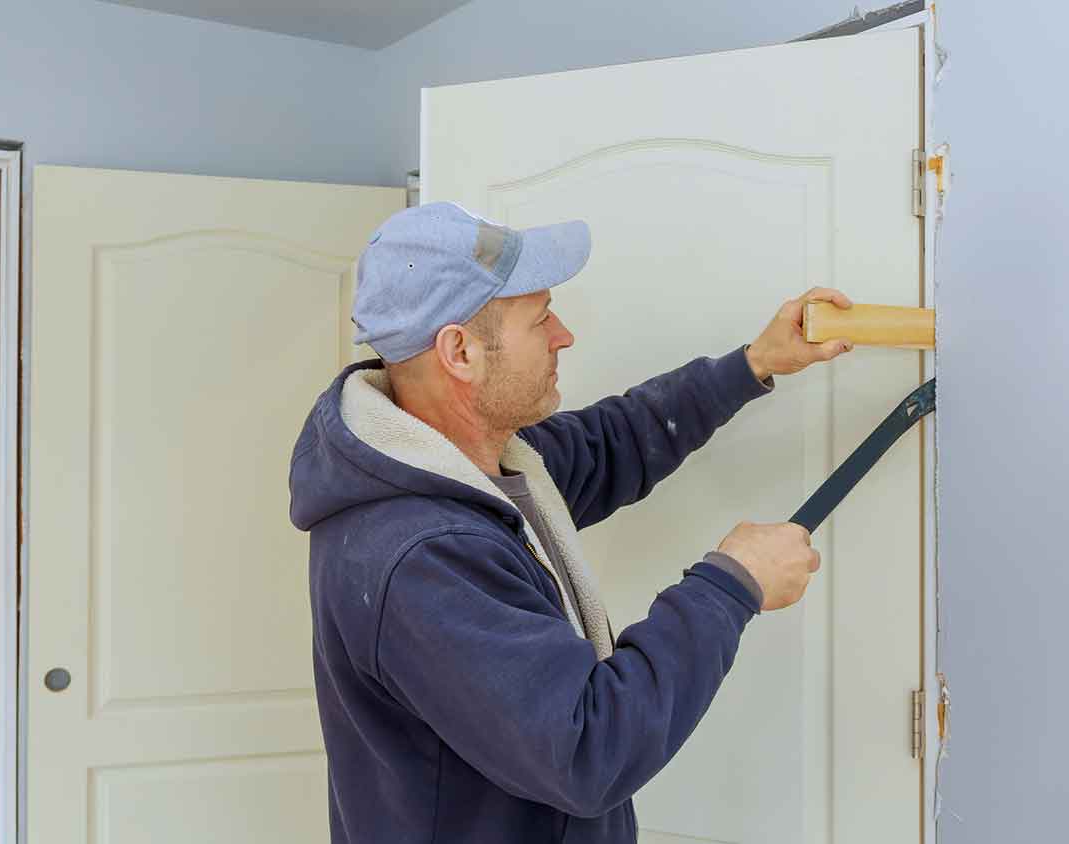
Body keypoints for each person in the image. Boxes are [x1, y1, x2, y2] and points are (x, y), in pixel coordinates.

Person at [289, 202, 855, 843]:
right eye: (540, 318)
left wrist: (754, 363)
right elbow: (588, 748)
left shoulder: (482, 467)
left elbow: (611, 443)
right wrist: (732, 584)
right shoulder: (421, 555)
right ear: (460, 352)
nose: (564, 334)